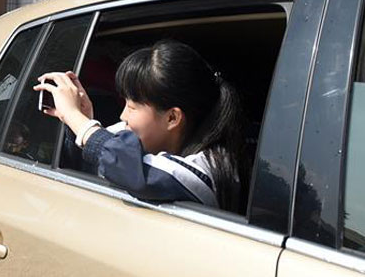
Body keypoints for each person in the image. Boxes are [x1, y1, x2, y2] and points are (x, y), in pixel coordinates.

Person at [34, 39, 245, 211]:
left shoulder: (207, 170)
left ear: (172, 118)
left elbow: (131, 168)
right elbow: (104, 155)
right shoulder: (136, 136)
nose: (123, 115)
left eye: (132, 107)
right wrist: (83, 119)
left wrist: (75, 117)